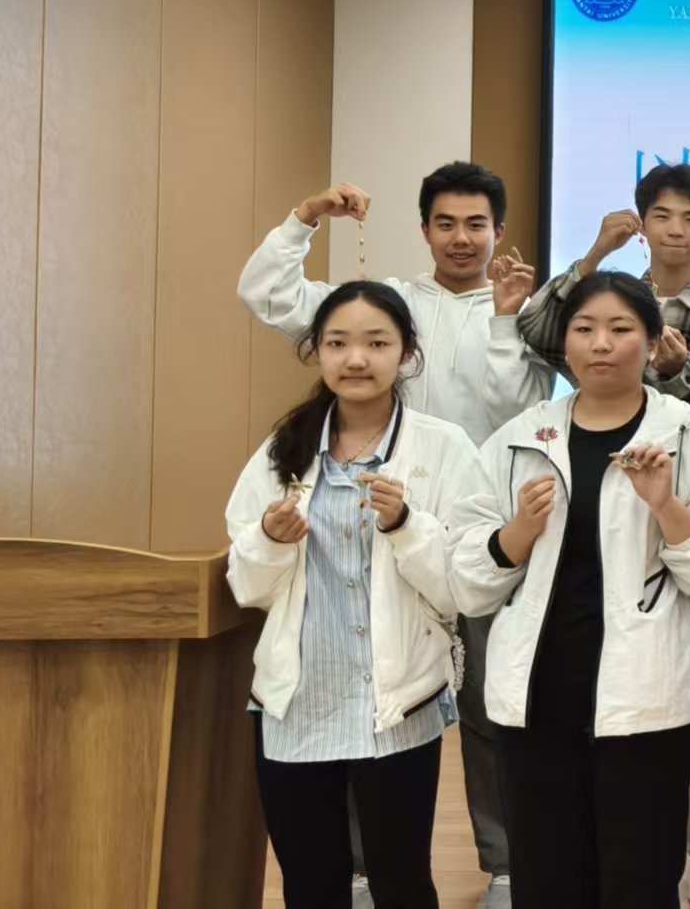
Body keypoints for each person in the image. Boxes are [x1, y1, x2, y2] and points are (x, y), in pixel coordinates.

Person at [237, 162, 543, 908]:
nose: (358, 356)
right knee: (322, 827)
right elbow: (269, 294)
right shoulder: (386, 304)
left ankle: (503, 862)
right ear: (424, 228)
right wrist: (306, 215)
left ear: (498, 230)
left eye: (476, 223)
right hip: (346, 594)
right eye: (446, 222)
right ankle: (355, 869)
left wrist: (508, 318)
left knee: (484, 710)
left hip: (471, 520)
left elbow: (515, 408)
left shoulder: (520, 311)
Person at [515, 161, 690, 903]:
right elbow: (533, 331)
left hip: (685, 512)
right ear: (642, 222)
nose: (675, 229)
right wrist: (594, 254)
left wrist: (683, 372)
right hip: (588, 512)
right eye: (661, 215)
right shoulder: (605, 296)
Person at [450, 271, 690, 909]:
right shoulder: (522, 437)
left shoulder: (686, 434)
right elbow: (467, 578)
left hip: (646, 701)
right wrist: (517, 533)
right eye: (584, 329)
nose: (601, 344)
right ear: (565, 342)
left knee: (639, 880)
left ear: (653, 342)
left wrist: (665, 505)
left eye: (620, 329)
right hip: (537, 698)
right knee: (547, 879)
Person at [224, 281, 484, 909]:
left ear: (406, 353)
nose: (356, 359)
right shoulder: (284, 448)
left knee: (401, 881)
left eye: (376, 343)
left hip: (396, 704)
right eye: (338, 343)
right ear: (316, 351)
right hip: (297, 702)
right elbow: (245, 586)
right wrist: (269, 539)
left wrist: (406, 525)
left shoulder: (443, 447)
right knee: (310, 883)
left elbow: (461, 586)